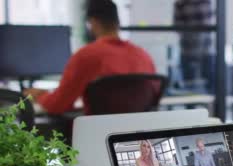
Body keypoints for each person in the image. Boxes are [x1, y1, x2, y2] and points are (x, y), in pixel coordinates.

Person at [23, 0, 156, 115]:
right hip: (134, 135)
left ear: (92, 23)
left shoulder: (87, 55)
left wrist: (39, 95)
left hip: (95, 133)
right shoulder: (143, 55)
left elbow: (57, 105)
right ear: (118, 22)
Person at [173, 0, 216, 93]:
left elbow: (208, 24)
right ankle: (191, 106)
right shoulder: (180, 4)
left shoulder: (205, 2)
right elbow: (177, 27)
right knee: (188, 85)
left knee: (211, 86)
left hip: (205, 49)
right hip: (187, 50)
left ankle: (211, 107)